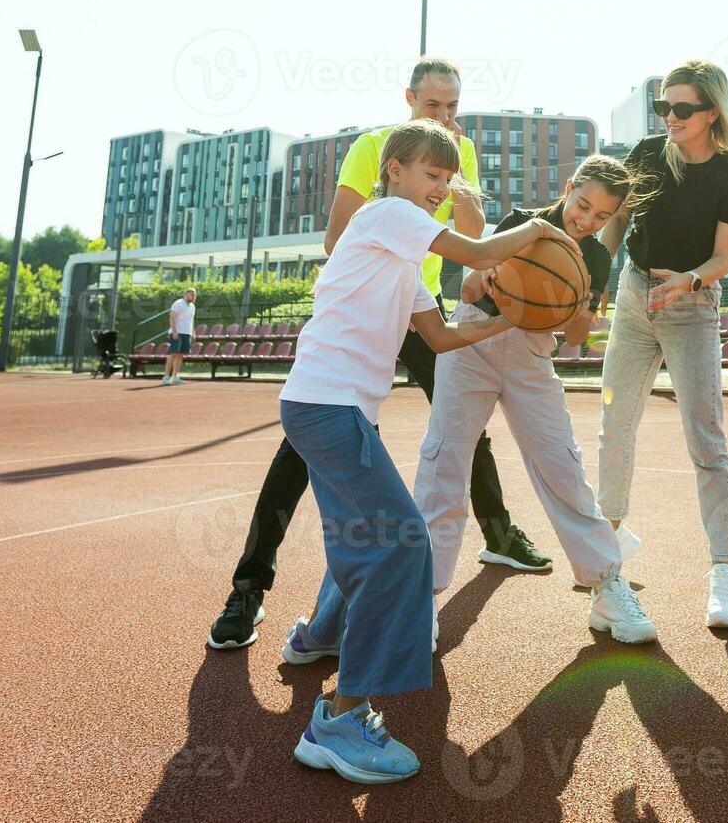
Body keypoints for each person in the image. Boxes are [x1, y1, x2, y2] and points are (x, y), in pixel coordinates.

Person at [207, 58, 550, 651]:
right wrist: (543, 230)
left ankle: (496, 531)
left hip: (416, 301)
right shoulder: (374, 152)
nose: (444, 115)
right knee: (308, 460)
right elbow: (347, 239)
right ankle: (249, 586)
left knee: (462, 421)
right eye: (434, 104)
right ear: (410, 98)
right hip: (357, 326)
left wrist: (504, 315)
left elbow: (470, 241)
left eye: (453, 107)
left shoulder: (449, 164)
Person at [277, 119, 583, 783]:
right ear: (394, 173)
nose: (440, 189)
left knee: (364, 531)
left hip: (328, 408)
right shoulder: (386, 216)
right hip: (329, 410)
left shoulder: (402, 256)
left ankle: (319, 635)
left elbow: (440, 338)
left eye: (447, 180)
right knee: (404, 543)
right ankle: (338, 717)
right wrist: (537, 228)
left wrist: (513, 318)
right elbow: (476, 254)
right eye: (431, 176)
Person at [395, 154, 658, 646]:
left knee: (562, 464)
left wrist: (578, 305)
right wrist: (491, 279)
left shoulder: (597, 258)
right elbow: (471, 285)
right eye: (583, 205)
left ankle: (606, 585)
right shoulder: (524, 225)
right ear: (568, 186)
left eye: (602, 216)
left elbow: (577, 336)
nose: (587, 220)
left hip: (531, 354)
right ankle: (419, 599)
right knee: (444, 462)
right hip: (474, 340)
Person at [595, 59, 728, 628]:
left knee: (706, 438)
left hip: (691, 303)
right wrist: (597, 273)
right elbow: (615, 220)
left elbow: (722, 259)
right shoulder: (646, 153)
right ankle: (606, 550)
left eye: (682, 108)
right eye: (664, 106)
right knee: (615, 423)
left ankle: (723, 573)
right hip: (635, 294)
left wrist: (690, 280)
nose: (670, 116)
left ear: (712, 112)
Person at [161, 288, 196, 385]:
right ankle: (166, 377)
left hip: (186, 333)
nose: (193, 296)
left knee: (180, 355)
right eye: (191, 294)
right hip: (177, 333)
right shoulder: (178, 303)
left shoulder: (193, 306)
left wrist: (193, 332)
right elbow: (172, 317)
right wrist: (174, 331)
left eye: (194, 294)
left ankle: (175, 377)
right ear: (186, 294)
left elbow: (191, 320)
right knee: (173, 354)